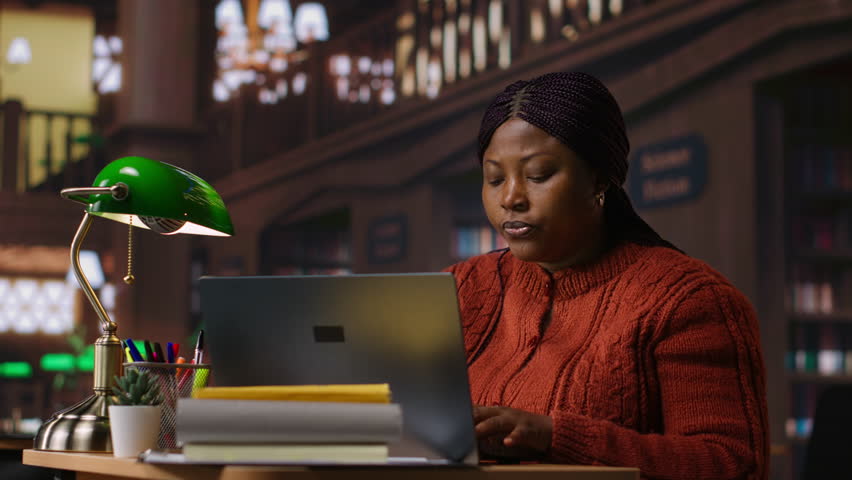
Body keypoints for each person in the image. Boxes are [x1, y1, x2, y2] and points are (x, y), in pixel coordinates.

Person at [444, 71, 768, 480]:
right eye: (494, 179)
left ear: (599, 180)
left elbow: (732, 466)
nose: (510, 197)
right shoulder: (460, 288)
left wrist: (554, 437)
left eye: (538, 175)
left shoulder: (690, 302)